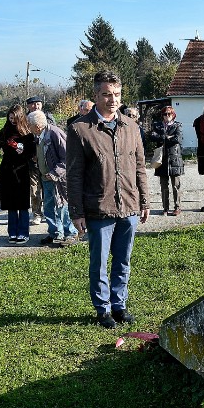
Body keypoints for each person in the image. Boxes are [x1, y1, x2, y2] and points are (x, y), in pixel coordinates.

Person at [67, 70, 149, 329]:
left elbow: (140, 168)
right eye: (107, 94)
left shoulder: (132, 127)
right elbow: (74, 175)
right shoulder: (80, 129)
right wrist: (76, 211)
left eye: (117, 94)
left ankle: (119, 305)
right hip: (98, 208)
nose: (113, 100)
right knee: (99, 262)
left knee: (123, 261)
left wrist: (144, 202)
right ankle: (102, 310)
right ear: (96, 95)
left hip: (129, 206)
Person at [27, 110, 77, 245]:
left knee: (62, 206)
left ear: (37, 125)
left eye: (29, 125)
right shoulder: (39, 135)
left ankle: (70, 233)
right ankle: (55, 232)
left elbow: (68, 156)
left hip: (58, 179)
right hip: (46, 178)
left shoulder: (55, 133)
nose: (28, 127)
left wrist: (55, 173)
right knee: (49, 207)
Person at [0, 104, 35, 243]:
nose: (12, 120)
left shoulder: (27, 133)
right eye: (10, 117)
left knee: (22, 203)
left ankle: (23, 232)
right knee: (10, 204)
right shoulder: (5, 131)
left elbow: (31, 152)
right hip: (7, 170)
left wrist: (23, 151)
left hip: (21, 170)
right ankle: (12, 232)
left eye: (15, 118)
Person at [149, 106, 184, 216]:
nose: (167, 116)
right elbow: (152, 136)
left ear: (173, 115)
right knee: (164, 186)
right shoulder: (157, 125)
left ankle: (177, 207)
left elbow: (178, 139)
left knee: (176, 186)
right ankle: (165, 208)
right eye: (165, 114)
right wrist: (167, 137)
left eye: (169, 114)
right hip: (161, 160)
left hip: (174, 159)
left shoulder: (177, 125)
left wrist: (162, 138)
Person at [26, 95, 52, 225]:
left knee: (47, 188)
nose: (36, 106)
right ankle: (37, 213)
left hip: (47, 160)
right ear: (28, 106)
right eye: (33, 104)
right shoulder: (25, 120)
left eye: (38, 104)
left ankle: (49, 213)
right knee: (34, 188)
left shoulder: (48, 118)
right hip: (32, 160)